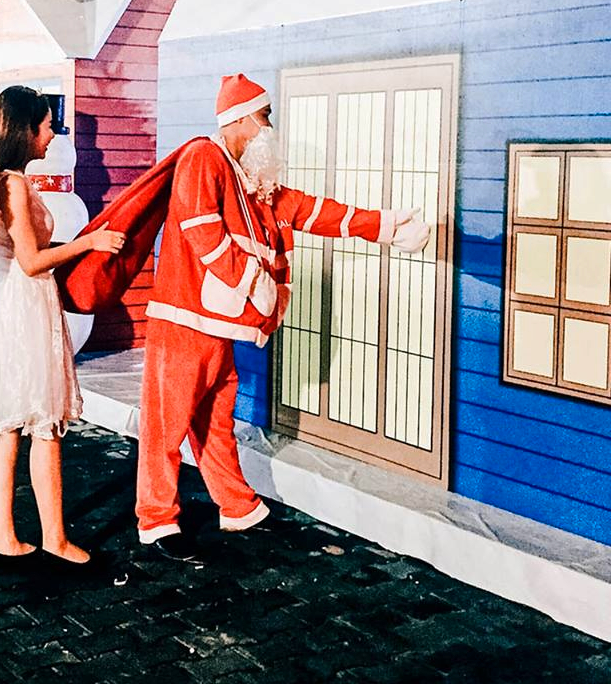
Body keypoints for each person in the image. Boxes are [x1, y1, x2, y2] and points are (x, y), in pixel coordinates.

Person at [136, 74, 430, 560]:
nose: (270, 125)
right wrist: (254, 281)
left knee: (214, 421)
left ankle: (236, 506)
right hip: (184, 319)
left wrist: (383, 225)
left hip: (219, 324)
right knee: (165, 427)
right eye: (264, 115)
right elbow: (200, 228)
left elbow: (309, 210)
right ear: (239, 119)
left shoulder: (250, 178)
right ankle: (156, 520)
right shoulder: (203, 156)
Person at [0, 86, 126, 571]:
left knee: (10, 429)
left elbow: (19, 249)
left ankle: (6, 538)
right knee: (45, 424)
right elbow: (33, 262)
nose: (51, 135)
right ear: (24, 130)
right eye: (45, 126)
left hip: (4, 306)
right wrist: (90, 243)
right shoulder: (13, 184)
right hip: (24, 309)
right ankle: (54, 538)